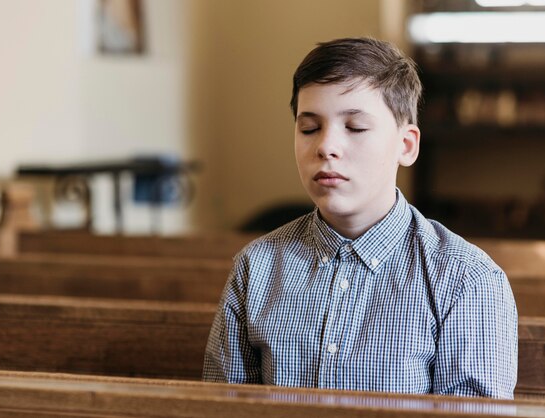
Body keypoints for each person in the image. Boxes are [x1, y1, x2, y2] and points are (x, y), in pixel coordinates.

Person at [203, 37, 518, 399]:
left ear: (406, 145)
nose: (325, 146)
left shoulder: (465, 279)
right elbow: (221, 405)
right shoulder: (254, 268)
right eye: (309, 128)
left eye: (354, 127)